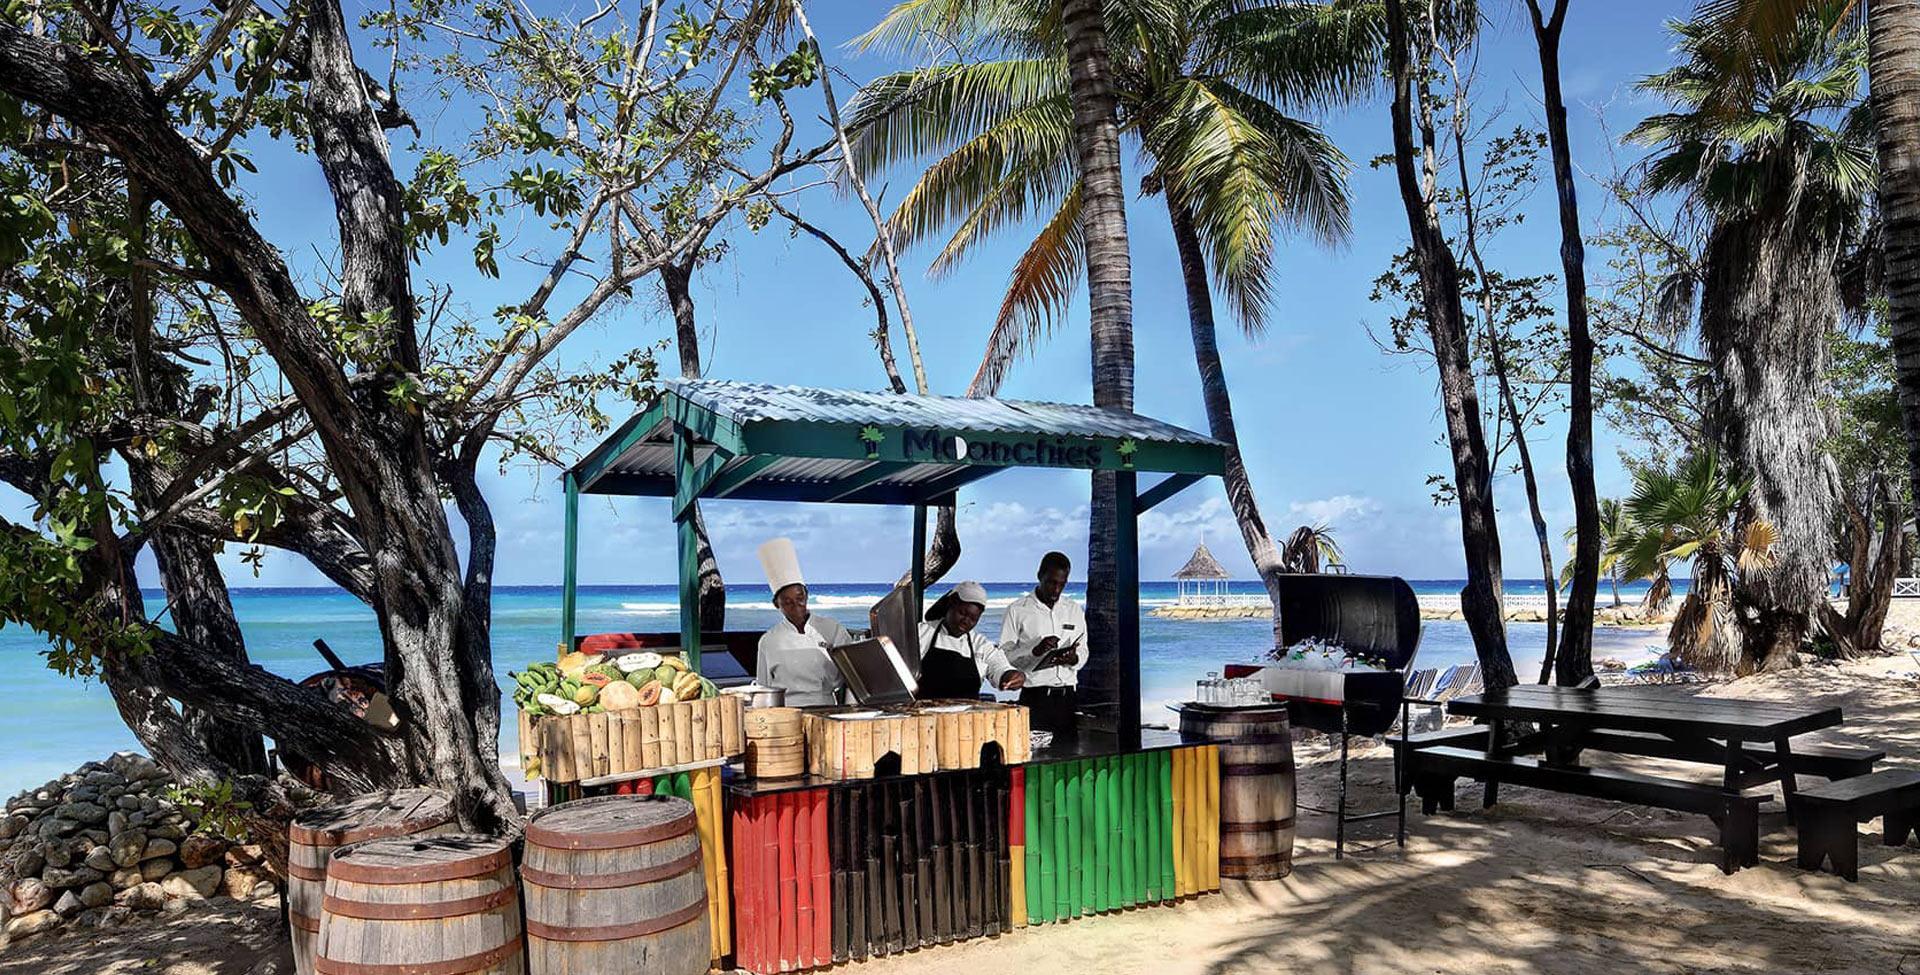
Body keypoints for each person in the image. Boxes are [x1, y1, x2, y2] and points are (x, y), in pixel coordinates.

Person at [998, 551, 1087, 735]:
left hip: (1068, 698)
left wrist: (1073, 658)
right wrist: (1034, 651)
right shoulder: (1017, 610)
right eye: (1051, 583)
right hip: (1035, 698)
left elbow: (1084, 649)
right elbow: (1004, 657)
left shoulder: (1074, 609)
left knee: (1068, 756)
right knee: (1032, 758)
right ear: (1040, 576)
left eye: (1062, 584)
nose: (1056, 590)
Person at [754, 537, 851, 707]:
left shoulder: (832, 629)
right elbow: (764, 688)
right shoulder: (768, 641)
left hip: (826, 707)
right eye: (787, 602)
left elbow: (851, 674)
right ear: (777, 605)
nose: (796, 606)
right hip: (786, 710)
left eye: (800, 598)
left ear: (807, 596)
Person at [916, 581, 1026, 700]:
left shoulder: (981, 645)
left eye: (973, 618)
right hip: (923, 715)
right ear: (951, 603)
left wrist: (1011, 676)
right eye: (962, 613)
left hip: (966, 717)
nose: (966, 621)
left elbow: (1000, 667)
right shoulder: (920, 633)